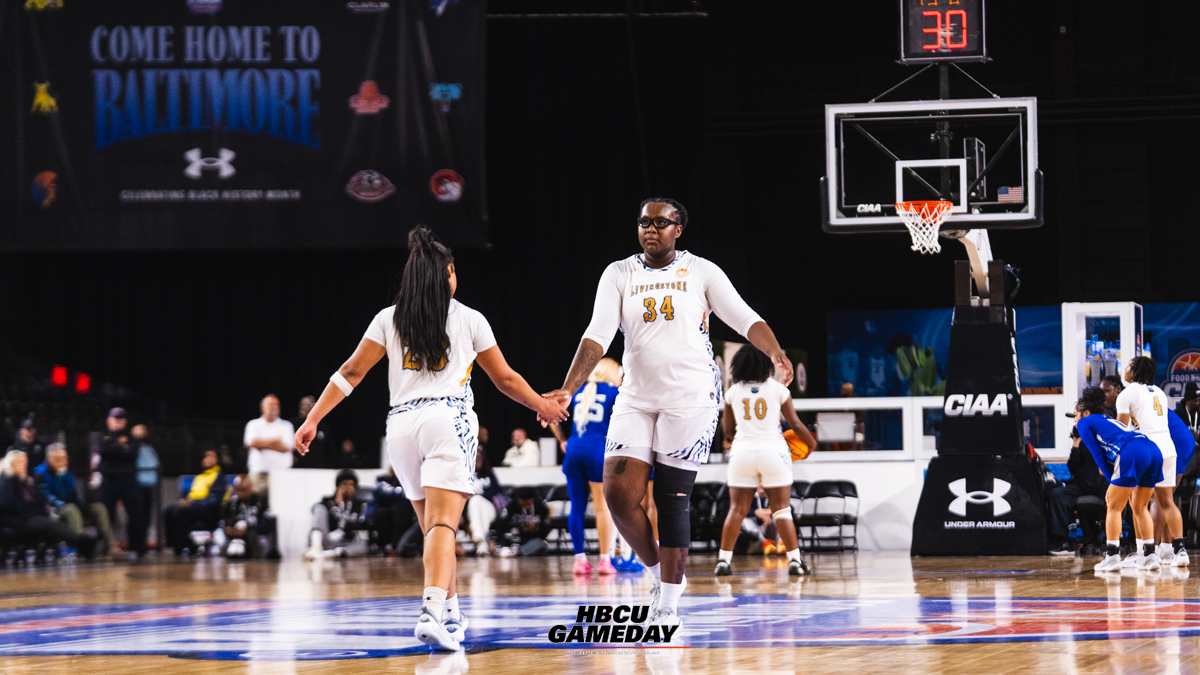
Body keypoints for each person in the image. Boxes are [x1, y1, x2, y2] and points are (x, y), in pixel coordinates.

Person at [293, 225, 567, 651]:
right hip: (447, 420)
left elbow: (350, 372)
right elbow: (506, 379)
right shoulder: (470, 318)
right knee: (443, 525)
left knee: (434, 530)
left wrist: (312, 419)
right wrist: (544, 406)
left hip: (400, 427)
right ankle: (431, 611)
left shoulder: (388, 318)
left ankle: (452, 614)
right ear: (450, 273)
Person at [543, 197, 794, 627]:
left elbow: (744, 318)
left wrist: (776, 353)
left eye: (661, 222)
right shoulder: (618, 273)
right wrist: (568, 388)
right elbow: (597, 335)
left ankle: (669, 603)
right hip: (636, 397)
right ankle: (660, 572)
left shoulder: (701, 271)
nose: (651, 229)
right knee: (618, 497)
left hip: (691, 397)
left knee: (670, 499)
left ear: (679, 229)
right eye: (644, 222)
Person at [717, 345, 816, 577]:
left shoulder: (732, 392)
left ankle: (723, 561)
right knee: (782, 510)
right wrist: (810, 445)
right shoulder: (779, 390)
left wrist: (740, 438)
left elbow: (728, 431)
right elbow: (797, 425)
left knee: (737, 509)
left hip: (742, 452)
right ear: (767, 366)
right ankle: (795, 562)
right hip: (773, 451)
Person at [1075, 387, 1164, 572]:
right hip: (1152, 449)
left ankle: (1112, 557)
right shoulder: (1107, 419)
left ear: (1086, 412)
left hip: (1131, 450)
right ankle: (1150, 556)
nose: (1075, 420)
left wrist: (1111, 483)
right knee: (1139, 507)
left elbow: (1097, 455)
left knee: (1114, 506)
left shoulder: (1084, 423)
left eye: (1075, 415)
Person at [549, 357, 621, 576]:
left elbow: (552, 415)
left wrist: (562, 440)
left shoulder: (578, 392)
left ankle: (580, 560)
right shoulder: (614, 392)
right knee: (601, 507)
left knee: (576, 507)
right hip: (597, 449)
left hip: (574, 449)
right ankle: (604, 560)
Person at [1115, 356, 1184, 567]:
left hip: (1147, 451)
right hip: (1168, 449)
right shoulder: (1159, 392)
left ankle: (1144, 553)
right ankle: (1179, 551)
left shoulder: (1127, 393)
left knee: (1138, 504)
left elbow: (1122, 431)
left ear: (1134, 371)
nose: (1123, 369)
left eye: (1127, 366)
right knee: (1167, 502)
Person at [0, 450, 98, 560]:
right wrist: (33, 510)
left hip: (27, 517)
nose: (24, 465)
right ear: (11, 464)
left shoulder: (22, 480)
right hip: (15, 520)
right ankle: (83, 543)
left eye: (25, 462)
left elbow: (36, 500)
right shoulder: (6, 480)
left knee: (51, 523)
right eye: (20, 462)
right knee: (49, 524)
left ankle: (82, 542)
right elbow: (9, 503)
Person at [34, 442, 117, 557]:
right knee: (71, 509)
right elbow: (45, 498)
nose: (64, 461)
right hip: (53, 512)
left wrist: (84, 508)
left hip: (71, 510)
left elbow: (73, 496)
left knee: (99, 507)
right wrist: (63, 500)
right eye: (60, 458)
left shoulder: (67, 473)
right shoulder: (39, 473)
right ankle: (82, 548)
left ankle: (110, 547)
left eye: (65, 458)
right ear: (50, 459)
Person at [1045, 426, 1108, 555]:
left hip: (1104, 485)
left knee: (1119, 500)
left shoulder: (1105, 437)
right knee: (1056, 495)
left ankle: (1116, 542)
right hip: (1081, 485)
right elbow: (1072, 468)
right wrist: (1075, 445)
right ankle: (1063, 541)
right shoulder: (1081, 441)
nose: (1075, 420)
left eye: (1076, 416)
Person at [98, 408, 148, 559]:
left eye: (122, 418)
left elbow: (132, 453)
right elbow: (104, 452)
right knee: (106, 515)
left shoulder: (131, 437)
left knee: (136, 514)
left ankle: (139, 549)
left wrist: (116, 447)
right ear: (109, 420)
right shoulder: (104, 435)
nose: (119, 421)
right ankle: (106, 548)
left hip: (128, 480)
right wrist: (120, 446)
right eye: (116, 418)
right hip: (109, 480)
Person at [163, 449, 228, 556]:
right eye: (205, 456)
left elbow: (215, 500)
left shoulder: (219, 476)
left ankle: (189, 546)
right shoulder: (200, 477)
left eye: (211, 456)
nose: (207, 459)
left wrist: (192, 504)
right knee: (169, 511)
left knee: (180, 513)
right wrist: (186, 501)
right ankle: (176, 547)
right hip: (195, 506)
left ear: (217, 460)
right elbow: (193, 494)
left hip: (209, 510)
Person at [304, 470, 371, 559]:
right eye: (344, 484)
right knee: (319, 508)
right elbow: (315, 511)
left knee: (364, 545)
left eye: (351, 485)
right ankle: (315, 547)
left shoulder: (360, 505)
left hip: (346, 543)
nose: (348, 488)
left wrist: (344, 516)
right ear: (337, 487)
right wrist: (337, 506)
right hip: (327, 540)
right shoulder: (327, 502)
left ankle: (329, 555)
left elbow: (361, 526)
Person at [243, 395, 295, 497]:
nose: (274, 407)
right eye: (271, 404)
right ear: (262, 407)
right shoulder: (253, 424)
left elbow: (286, 448)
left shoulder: (287, 425)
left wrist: (262, 445)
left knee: (280, 502)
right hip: (258, 473)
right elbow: (252, 443)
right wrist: (275, 441)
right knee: (257, 501)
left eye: (276, 404)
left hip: (282, 473)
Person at [219, 475, 274, 558]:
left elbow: (268, 525)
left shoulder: (261, 502)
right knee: (219, 537)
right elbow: (225, 521)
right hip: (235, 536)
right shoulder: (231, 503)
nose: (240, 493)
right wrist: (227, 529)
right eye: (238, 490)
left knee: (262, 540)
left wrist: (247, 529)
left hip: (255, 535)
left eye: (244, 490)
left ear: (250, 488)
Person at [486, 486, 552, 556]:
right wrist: (493, 539)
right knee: (488, 535)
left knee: (541, 543)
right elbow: (499, 524)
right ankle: (499, 550)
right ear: (518, 499)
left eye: (528, 503)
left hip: (529, 541)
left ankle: (518, 552)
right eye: (523, 503)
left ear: (533, 499)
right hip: (511, 539)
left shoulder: (541, 508)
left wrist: (535, 527)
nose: (525, 506)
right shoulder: (511, 506)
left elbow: (546, 530)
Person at [369, 467, 418, 556]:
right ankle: (385, 546)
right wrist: (402, 493)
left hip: (403, 510)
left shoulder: (410, 480)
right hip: (385, 509)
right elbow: (384, 493)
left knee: (402, 508)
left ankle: (396, 546)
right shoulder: (382, 480)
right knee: (382, 514)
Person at [465, 452, 504, 556]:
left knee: (476, 500)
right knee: (475, 502)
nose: (477, 460)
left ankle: (480, 541)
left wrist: (480, 495)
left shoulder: (489, 473)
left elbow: (496, 490)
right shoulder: (464, 475)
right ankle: (482, 544)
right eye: (475, 458)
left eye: (479, 457)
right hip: (472, 510)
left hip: (489, 507)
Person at [132, 424, 160, 550]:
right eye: (139, 430)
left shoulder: (150, 449)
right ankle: (136, 545)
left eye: (143, 429)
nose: (142, 432)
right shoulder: (131, 448)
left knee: (146, 516)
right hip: (135, 486)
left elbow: (156, 465)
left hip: (149, 487)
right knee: (136, 517)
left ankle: (142, 546)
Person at [290, 396, 331, 468]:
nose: (310, 406)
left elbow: (330, 447)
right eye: (307, 404)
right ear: (301, 407)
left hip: (319, 466)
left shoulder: (322, 425)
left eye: (313, 404)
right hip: (298, 467)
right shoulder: (292, 424)